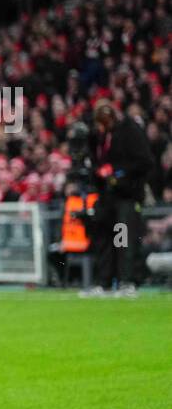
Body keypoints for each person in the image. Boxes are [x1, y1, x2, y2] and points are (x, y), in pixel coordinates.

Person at [89, 100, 154, 296]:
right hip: (107, 195)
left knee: (123, 238)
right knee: (104, 239)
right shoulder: (101, 135)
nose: (101, 126)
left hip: (127, 195)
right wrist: (99, 172)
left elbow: (145, 162)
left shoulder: (130, 131)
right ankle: (105, 282)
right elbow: (96, 159)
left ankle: (127, 281)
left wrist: (118, 173)